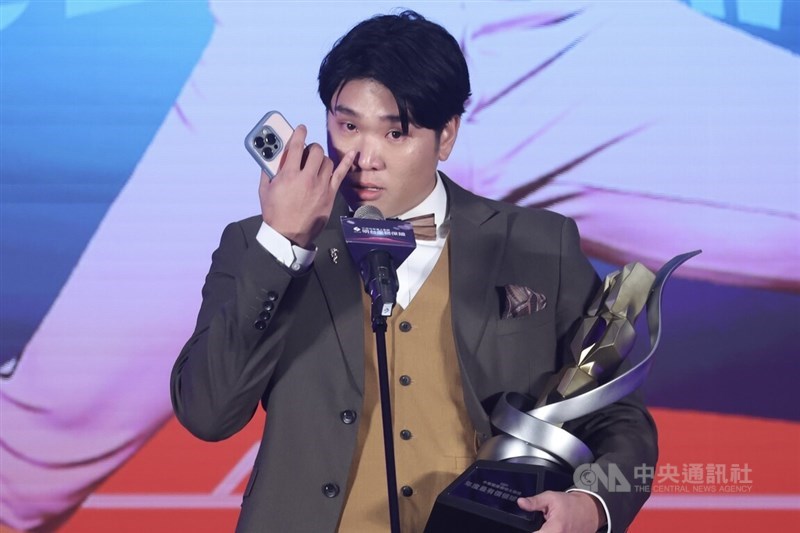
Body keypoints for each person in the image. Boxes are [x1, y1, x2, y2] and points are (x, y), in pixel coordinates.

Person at [170, 10, 656, 533]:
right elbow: (208, 413)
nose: (365, 157)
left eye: (395, 133)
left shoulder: (538, 243)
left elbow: (621, 417)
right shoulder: (256, 244)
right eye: (347, 125)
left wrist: (594, 505)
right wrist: (283, 247)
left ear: (445, 136)